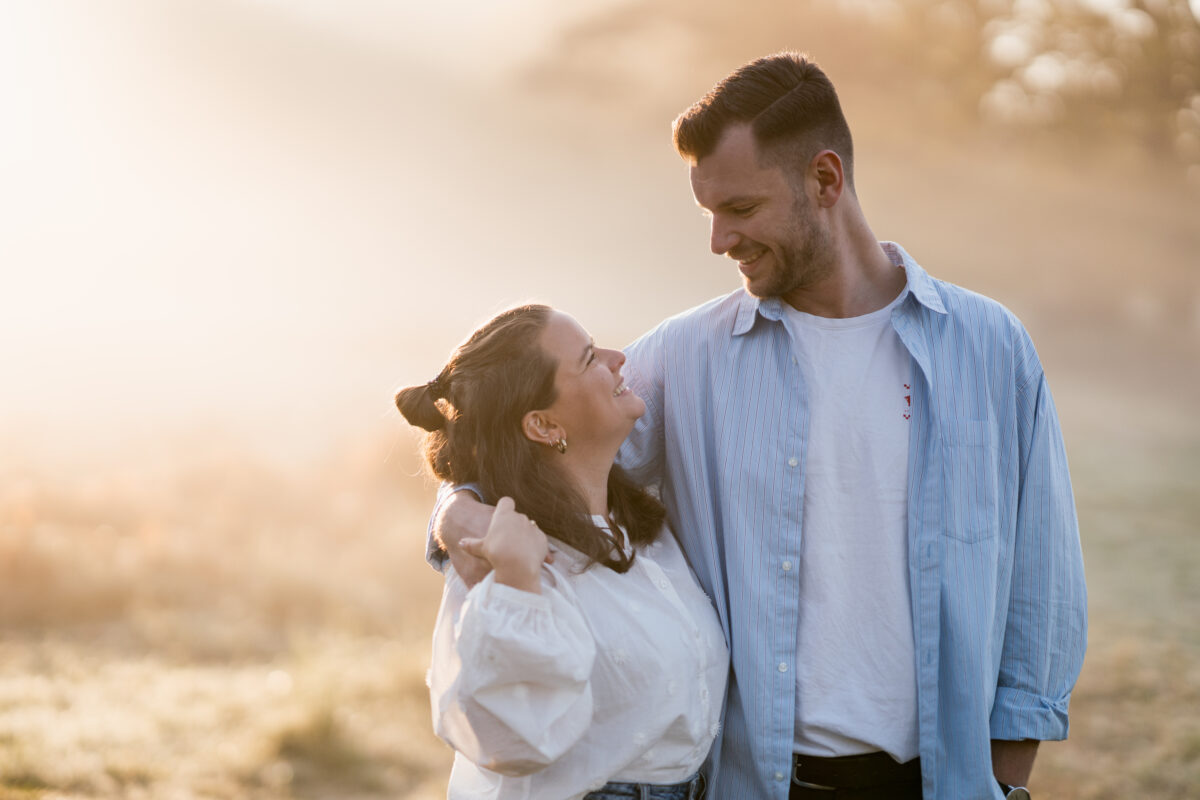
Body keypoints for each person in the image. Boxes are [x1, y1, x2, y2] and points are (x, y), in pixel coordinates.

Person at [432, 53, 1086, 800]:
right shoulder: (685, 358)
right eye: (708, 212)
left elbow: (1043, 582)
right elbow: (530, 449)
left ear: (826, 180)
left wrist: (1005, 781)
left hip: (948, 784)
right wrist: (454, 513)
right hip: (760, 784)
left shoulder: (990, 348)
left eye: (740, 210)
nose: (719, 240)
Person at [397, 304, 727, 800]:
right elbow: (506, 741)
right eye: (590, 357)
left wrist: (452, 505)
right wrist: (514, 582)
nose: (620, 359)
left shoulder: (646, 529)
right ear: (543, 425)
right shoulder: (506, 557)